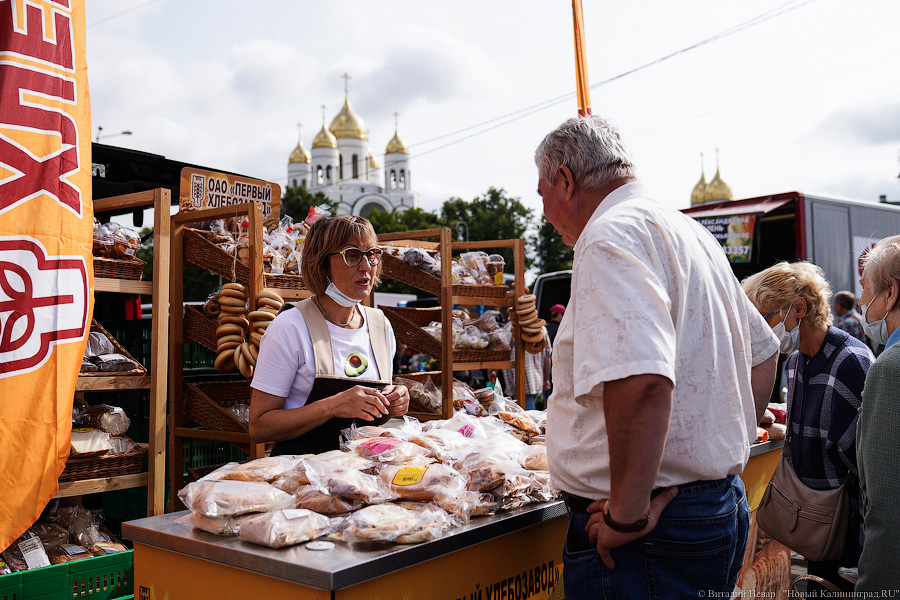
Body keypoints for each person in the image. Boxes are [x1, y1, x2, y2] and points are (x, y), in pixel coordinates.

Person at [535, 115, 779, 598]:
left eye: (541, 193)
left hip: (648, 535)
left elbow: (643, 381)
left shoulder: (609, 235)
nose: (543, 211)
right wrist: (709, 461)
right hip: (708, 508)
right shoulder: (688, 232)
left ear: (565, 180)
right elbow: (763, 354)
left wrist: (628, 514)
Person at [742, 262, 873, 591]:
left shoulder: (852, 362)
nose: (760, 331)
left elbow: (868, 467)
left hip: (848, 534)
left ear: (798, 308)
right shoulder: (795, 362)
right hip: (812, 522)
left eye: (764, 318)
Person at [249, 215, 409, 455]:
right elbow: (259, 427)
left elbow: (370, 422)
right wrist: (332, 406)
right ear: (321, 263)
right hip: (303, 481)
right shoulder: (291, 326)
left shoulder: (381, 326)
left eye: (372, 254)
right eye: (352, 255)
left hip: (362, 478)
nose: (366, 266)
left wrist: (391, 405)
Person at [855, 234, 900, 591]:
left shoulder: (890, 368)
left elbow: (887, 509)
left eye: (866, 288)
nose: (861, 301)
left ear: (890, 293)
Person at [501, 325, 551, 410]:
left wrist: (493, 369)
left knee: (526, 415)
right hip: (536, 380)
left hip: (518, 381)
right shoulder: (541, 328)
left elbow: (503, 353)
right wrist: (546, 379)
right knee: (528, 412)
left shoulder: (511, 327)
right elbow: (547, 355)